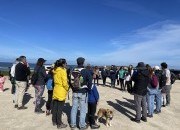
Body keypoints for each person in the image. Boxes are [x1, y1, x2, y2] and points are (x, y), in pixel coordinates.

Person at [70, 57, 92, 130]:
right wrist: (88, 89)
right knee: (83, 109)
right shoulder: (86, 71)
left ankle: (73, 125)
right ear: (83, 62)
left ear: (77, 62)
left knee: (74, 108)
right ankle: (82, 126)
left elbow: (69, 80)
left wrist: (73, 88)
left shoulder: (73, 70)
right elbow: (90, 82)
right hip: (83, 92)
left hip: (75, 91)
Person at [52, 58, 69, 129]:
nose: (66, 65)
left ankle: (54, 121)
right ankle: (59, 123)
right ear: (63, 64)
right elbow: (64, 82)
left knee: (55, 106)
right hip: (61, 90)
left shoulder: (55, 70)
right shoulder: (62, 71)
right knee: (60, 108)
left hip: (56, 89)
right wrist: (67, 88)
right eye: (66, 63)